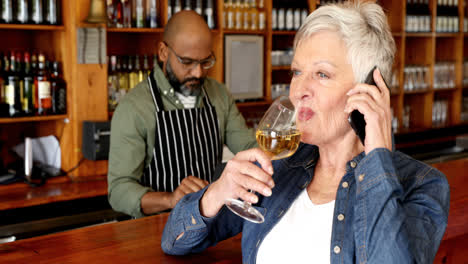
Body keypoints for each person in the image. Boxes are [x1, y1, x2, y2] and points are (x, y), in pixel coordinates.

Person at [161, 2, 450, 263]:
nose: (299, 91)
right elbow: (174, 241)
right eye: (297, 72)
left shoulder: (422, 185)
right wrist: (218, 192)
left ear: (368, 91)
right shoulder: (278, 168)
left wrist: (378, 157)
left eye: (322, 74)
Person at [107, 11, 257, 218]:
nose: (197, 73)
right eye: (187, 62)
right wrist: (170, 199)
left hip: (207, 222)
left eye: (205, 62)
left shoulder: (218, 95)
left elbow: (249, 149)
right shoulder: (135, 108)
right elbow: (119, 191)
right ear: (163, 51)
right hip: (156, 227)